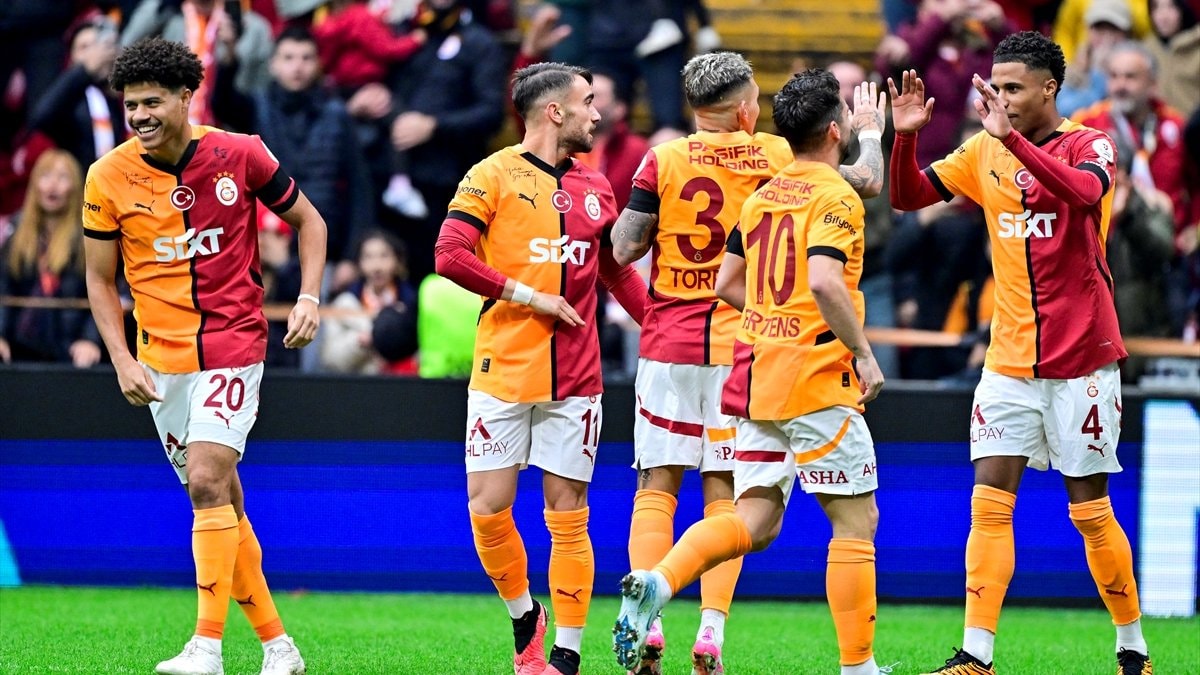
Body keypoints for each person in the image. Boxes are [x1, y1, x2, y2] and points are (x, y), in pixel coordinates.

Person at [609, 51, 885, 675]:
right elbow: (862, 183)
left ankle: (654, 598)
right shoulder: (777, 157)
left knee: (659, 489)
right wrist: (872, 131)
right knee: (743, 500)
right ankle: (714, 634)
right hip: (761, 351)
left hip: (677, 344)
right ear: (743, 109)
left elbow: (623, 248)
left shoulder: (664, 158)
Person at [886, 31, 1153, 674]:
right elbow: (907, 197)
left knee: (1090, 511)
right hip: (1007, 360)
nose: (1001, 98)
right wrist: (905, 138)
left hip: (1082, 358)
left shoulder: (1090, 143)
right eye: (995, 87)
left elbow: (1085, 194)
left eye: (1014, 88)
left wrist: (1013, 143)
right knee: (988, 505)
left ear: (1049, 88)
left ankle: (1133, 648)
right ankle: (976, 655)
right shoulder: (983, 148)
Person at [82, 37, 326, 675]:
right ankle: (279, 647)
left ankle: (206, 648)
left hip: (233, 343)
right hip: (159, 361)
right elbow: (99, 281)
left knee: (206, 481)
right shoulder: (106, 177)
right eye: (131, 105)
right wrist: (121, 358)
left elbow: (311, 222)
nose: (140, 116)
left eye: (152, 102)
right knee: (225, 507)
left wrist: (308, 297)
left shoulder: (239, 153)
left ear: (186, 96)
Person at [432, 62, 647, 675]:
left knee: (568, 512)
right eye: (588, 102)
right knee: (487, 508)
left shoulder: (597, 185)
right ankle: (526, 614)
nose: (597, 113)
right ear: (556, 111)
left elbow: (615, 273)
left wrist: (662, 329)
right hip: (502, 368)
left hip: (576, 378)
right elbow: (449, 255)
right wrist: (531, 296)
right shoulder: (491, 174)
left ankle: (566, 655)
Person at [0, 150, 102, 367]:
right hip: (19, 345)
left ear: (75, 187)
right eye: (45, 176)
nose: (53, 185)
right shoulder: (16, 229)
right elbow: (3, 289)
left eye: (63, 177)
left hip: (70, 347)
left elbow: (106, 290)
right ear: (34, 184)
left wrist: (90, 339)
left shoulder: (89, 234)